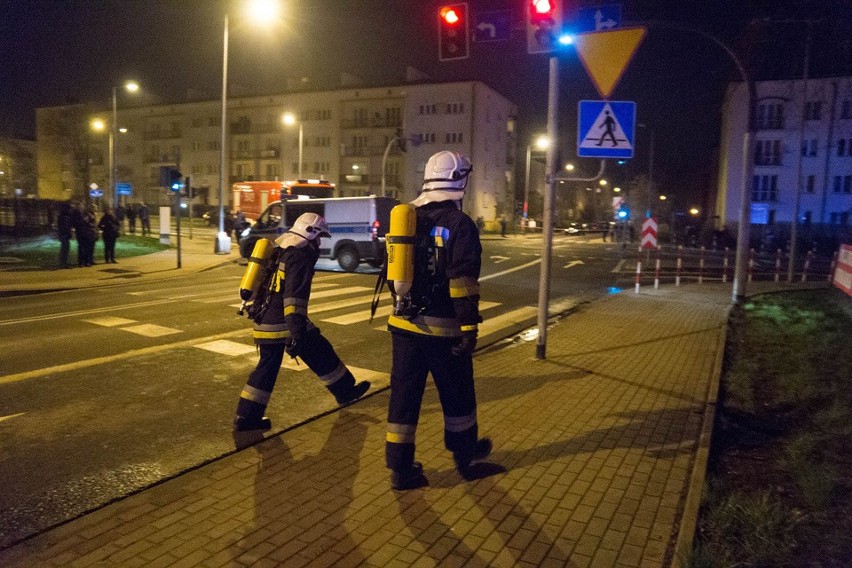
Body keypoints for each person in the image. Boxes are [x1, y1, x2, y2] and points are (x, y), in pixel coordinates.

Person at [385, 150, 491, 491]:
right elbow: (462, 280)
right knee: (457, 394)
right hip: (443, 329)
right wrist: (469, 327)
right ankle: (465, 457)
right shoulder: (460, 224)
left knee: (404, 395)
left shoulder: (408, 217)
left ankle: (400, 470)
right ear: (460, 179)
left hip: (404, 326)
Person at [234, 212, 371, 431]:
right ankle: (247, 418)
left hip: (266, 317)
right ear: (311, 234)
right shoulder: (299, 256)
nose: (319, 243)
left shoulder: (282, 248)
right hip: (283, 322)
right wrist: (297, 333)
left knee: (309, 352)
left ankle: (247, 416)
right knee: (310, 352)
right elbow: (294, 297)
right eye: (318, 238)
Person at [57, 202, 75, 268]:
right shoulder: (64, 216)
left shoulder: (65, 216)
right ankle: (63, 263)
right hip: (64, 234)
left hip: (65, 234)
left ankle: (64, 262)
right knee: (65, 249)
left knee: (65, 248)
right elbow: (64, 226)